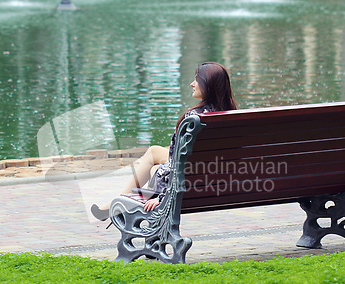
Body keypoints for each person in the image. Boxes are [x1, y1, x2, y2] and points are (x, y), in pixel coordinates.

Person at [91, 62, 237, 220]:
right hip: (216, 179)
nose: (192, 83)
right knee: (154, 154)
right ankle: (117, 203)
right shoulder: (231, 115)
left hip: (189, 183)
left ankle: (118, 202)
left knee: (154, 167)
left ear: (208, 84)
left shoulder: (194, 119)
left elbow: (180, 164)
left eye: (196, 80)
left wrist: (161, 197)